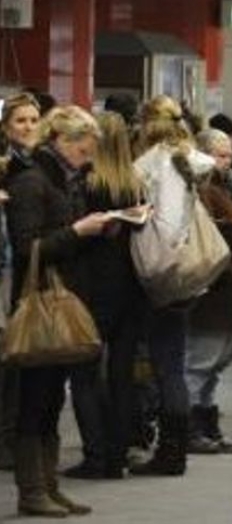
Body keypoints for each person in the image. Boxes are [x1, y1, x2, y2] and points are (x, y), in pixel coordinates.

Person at [6, 105, 114, 516]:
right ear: (63, 143)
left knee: (51, 400)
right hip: (40, 303)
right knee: (33, 401)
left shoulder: (68, 181)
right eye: (84, 152)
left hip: (64, 297)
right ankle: (32, 490)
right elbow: (27, 248)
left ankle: (48, 485)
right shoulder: (33, 182)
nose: (87, 161)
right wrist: (77, 231)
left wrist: (103, 227)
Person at [131, 95, 218, 476]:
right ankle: (174, 449)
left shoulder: (151, 164)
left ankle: (169, 452)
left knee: (164, 365)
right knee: (174, 364)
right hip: (190, 274)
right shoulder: (192, 161)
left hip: (161, 272)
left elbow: (163, 227)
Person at [63, 111, 149, 480]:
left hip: (92, 286)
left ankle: (96, 454)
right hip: (131, 286)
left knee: (85, 373)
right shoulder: (135, 183)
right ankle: (118, 452)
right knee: (121, 374)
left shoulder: (87, 182)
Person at [185, 129, 232, 455]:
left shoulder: (223, 188)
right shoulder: (198, 192)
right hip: (213, 290)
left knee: (216, 364)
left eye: (230, 155)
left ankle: (205, 424)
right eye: (219, 155)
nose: (226, 162)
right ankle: (187, 428)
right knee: (200, 363)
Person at [0, 92, 42, 472]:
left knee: (18, 358)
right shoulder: (6, 167)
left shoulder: (40, 164)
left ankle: (12, 437)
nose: (29, 127)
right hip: (7, 268)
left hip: (22, 272)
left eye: (33, 120)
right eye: (20, 121)